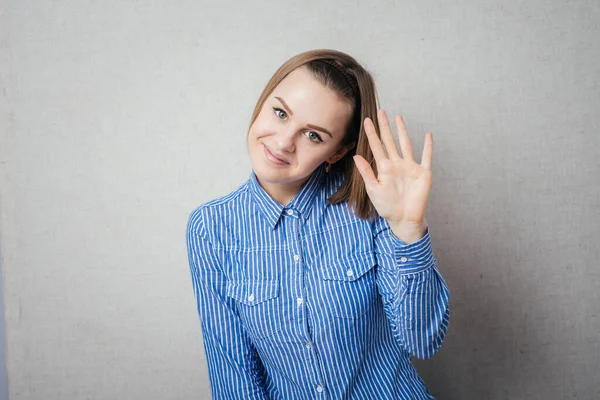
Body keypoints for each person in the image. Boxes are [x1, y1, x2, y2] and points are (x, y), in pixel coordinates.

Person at [186, 49, 450, 399]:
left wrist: (409, 230)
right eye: (280, 113)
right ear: (264, 101)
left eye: (313, 136)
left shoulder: (373, 206)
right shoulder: (210, 228)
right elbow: (233, 373)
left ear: (337, 152)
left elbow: (422, 340)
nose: (283, 143)